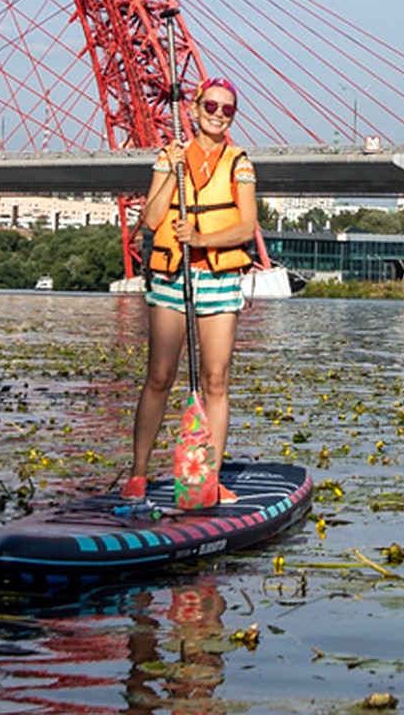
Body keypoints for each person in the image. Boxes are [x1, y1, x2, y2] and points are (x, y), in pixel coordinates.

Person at [122, 77, 258, 504]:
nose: (218, 114)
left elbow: (244, 225)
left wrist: (201, 239)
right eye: (211, 106)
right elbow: (152, 215)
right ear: (194, 109)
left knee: (215, 380)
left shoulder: (240, 163)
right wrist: (173, 169)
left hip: (218, 277)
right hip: (172, 275)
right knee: (160, 376)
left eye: (227, 110)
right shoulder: (169, 157)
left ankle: (209, 478)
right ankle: (138, 474)